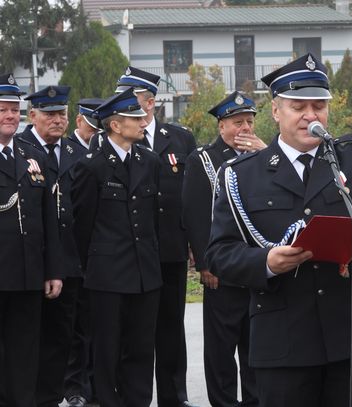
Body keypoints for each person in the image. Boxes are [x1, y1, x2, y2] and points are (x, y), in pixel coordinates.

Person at [205, 54, 352, 407]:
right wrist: (266, 262)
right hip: (283, 343)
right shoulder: (241, 174)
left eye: (319, 106)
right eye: (299, 106)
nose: (311, 115)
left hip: (350, 336)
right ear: (276, 111)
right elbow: (219, 254)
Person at [71, 88, 162, 407]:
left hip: (144, 274)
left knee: (140, 349)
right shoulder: (91, 166)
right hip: (107, 276)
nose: (142, 122)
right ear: (115, 125)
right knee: (107, 350)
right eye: (134, 118)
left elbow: (153, 219)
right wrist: (90, 270)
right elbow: (82, 227)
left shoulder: (150, 160)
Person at [114, 66, 198, 407]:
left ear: (150, 104)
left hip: (172, 249)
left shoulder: (179, 139)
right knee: (132, 330)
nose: (128, 107)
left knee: (170, 327)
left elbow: (192, 197)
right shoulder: (114, 138)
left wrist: (196, 243)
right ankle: (132, 397)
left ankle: (174, 397)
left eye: (133, 100)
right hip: (132, 252)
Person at [183, 91, 265, 407]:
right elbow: (194, 215)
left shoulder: (263, 156)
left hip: (256, 266)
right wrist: (206, 264)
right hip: (223, 268)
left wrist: (266, 153)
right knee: (220, 348)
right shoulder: (203, 159)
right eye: (236, 122)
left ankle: (255, 401)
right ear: (221, 126)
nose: (244, 128)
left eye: (249, 121)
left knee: (255, 345)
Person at [18, 85, 87, 407]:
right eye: (49, 114)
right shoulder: (19, 149)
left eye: (61, 114)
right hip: (31, 260)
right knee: (30, 336)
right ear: (32, 116)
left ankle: (53, 395)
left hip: (70, 258)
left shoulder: (76, 152)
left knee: (63, 334)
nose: (57, 120)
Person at [0, 74, 63, 407]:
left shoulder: (29, 155)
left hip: (27, 274)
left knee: (25, 350)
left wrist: (53, 270)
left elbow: (47, 219)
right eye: (3, 110)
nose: (11, 116)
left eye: (15, 110)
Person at [63, 98, 104, 407]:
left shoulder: (101, 153)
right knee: (74, 325)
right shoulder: (68, 152)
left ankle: (92, 383)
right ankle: (73, 384)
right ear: (79, 122)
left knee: (93, 323)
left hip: (98, 252)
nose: (95, 132)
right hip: (71, 249)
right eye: (92, 126)